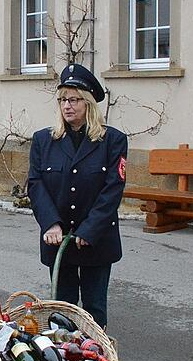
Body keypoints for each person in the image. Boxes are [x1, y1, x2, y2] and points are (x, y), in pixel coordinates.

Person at [27, 63, 128, 329]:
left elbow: (112, 189)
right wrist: (50, 222)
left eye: (74, 99)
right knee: (63, 310)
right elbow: (36, 184)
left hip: (96, 240)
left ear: (89, 104)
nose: (67, 106)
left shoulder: (112, 141)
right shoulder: (43, 140)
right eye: (62, 100)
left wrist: (90, 229)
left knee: (94, 309)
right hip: (58, 240)